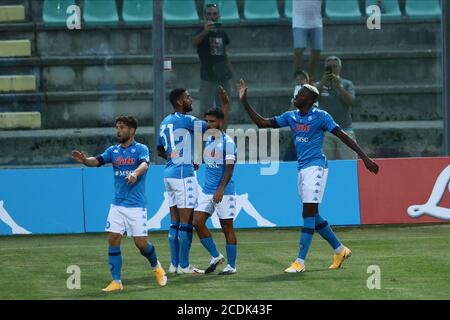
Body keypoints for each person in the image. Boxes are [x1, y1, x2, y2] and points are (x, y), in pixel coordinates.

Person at [239, 79, 379, 273]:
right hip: (302, 169)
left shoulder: (321, 116)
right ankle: (340, 250)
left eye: (301, 94)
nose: (297, 96)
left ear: (311, 99)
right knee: (313, 214)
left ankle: (300, 262)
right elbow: (262, 123)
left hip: (317, 167)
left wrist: (364, 158)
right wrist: (244, 101)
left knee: (307, 212)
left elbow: (343, 136)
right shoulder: (291, 116)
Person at [71, 116, 167, 292]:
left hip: (136, 206)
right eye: (117, 127)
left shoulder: (140, 149)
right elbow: (97, 160)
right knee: (113, 239)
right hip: (117, 205)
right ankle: (116, 281)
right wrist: (85, 160)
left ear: (131, 131)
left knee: (141, 244)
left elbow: (145, 164)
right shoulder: (113, 151)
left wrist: (135, 174)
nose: (118, 131)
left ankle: (157, 267)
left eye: (122, 127)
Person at [157, 88, 229, 275]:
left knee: (174, 223)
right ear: (180, 102)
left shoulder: (165, 122)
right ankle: (184, 266)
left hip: (169, 174)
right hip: (183, 176)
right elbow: (215, 128)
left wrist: (179, 157)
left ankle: (174, 265)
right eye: (187, 97)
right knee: (186, 222)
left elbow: (159, 150)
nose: (191, 99)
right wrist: (225, 107)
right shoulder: (187, 120)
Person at [192, 92, 239, 275]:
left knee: (227, 226)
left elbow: (229, 169)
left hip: (224, 191)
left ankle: (232, 266)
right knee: (197, 222)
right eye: (207, 122)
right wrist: (199, 162)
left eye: (211, 122)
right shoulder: (210, 139)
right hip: (207, 190)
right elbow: (212, 162)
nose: (208, 125)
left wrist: (220, 189)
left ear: (220, 122)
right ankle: (215, 255)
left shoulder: (228, 142)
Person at [192, 3, 237, 117]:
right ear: (204, 16)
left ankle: (221, 134)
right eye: (209, 14)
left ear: (219, 16)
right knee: (205, 111)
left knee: (224, 111)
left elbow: (225, 55)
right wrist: (205, 31)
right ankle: (200, 135)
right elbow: (194, 42)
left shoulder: (222, 33)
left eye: (215, 14)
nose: (212, 16)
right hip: (208, 78)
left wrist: (233, 78)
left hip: (223, 77)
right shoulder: (201, 31)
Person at [315, 56, 358, 160]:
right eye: (329, 66)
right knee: (324, 165)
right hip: (325, 131)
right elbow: (311, 99)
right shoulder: (318, 85)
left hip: (345, 130)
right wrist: (322, 83)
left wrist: (339, 87)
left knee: (350, 164)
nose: (332, 68)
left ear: (339, 68)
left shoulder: (347, 84)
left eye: (335, 66)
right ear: (325, 68)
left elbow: (351, 102)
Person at [292, 0, 323, 83]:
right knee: (299, 50)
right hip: (299, 22)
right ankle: (298, 78)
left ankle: (310, 78)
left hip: (316, 22)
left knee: (317, 50)